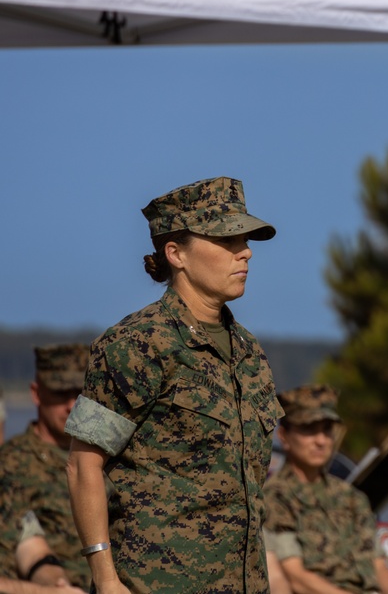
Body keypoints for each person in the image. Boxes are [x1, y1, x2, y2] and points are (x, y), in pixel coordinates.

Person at [63, 176, 284, 594]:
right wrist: (105, 579)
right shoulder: (136, 344)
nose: (246, 252)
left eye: (246, 240)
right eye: (228, 241)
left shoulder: (248, 351)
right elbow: (82, 465)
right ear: (176, 253)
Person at [264, 384, 388, 594]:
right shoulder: (274, 497)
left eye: (327, 430)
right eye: (309, 429)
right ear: (283, 436)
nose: (321, 441)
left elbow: (379, 566)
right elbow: (295, 575)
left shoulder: (351, 497)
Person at [0, 345, 89, 586]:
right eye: (61, 394)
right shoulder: (11, 464)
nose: (72, 405)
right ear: (36, 394)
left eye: (80, 394)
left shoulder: (102, 460)